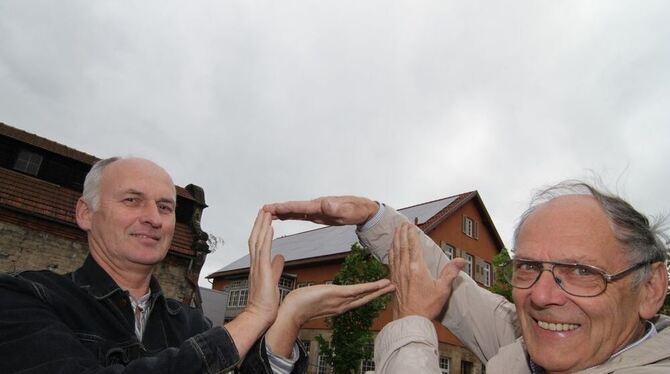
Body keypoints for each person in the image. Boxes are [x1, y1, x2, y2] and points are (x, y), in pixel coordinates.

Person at [0, 157, 394, 373]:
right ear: (86, 213)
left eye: (166, 206)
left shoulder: (189, 324)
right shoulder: (25, 299)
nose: (154, 218)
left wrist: (289, 317)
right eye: (132, 200)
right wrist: (255, 313)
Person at [264, 181, 670, 373]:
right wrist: (375, 217)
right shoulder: (535, 342)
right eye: (528, 266)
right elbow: (452, 285)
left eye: (582, 271)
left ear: (650, 289)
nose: (542, 295)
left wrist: (409, 327)